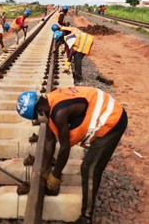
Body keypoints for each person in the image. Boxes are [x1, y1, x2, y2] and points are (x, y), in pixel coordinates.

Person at [16, 87, 127, 224]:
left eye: (36, 119)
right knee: (89, 166)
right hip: (106, 111)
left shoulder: (59, 113)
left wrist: (55, 177)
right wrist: (44, 170)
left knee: (89, 168)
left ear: (40, 111)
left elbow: (64, 148)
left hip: (112, 121)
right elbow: (50, 141)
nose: (37, 122)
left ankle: (86, 217)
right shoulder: (49, 102)